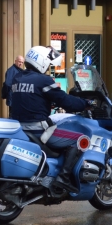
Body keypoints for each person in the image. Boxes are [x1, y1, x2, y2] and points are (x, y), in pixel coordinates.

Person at [11, 46, 90, 193]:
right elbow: (65, 101)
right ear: (41, 62)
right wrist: (85, 103)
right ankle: (63, 178)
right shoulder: (43, 80)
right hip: (38, 129)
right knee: (79, 139)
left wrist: (46, 102)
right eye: (48, 63)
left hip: (20, 128)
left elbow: (29, 99)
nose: (48, 67)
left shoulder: (17, 78)